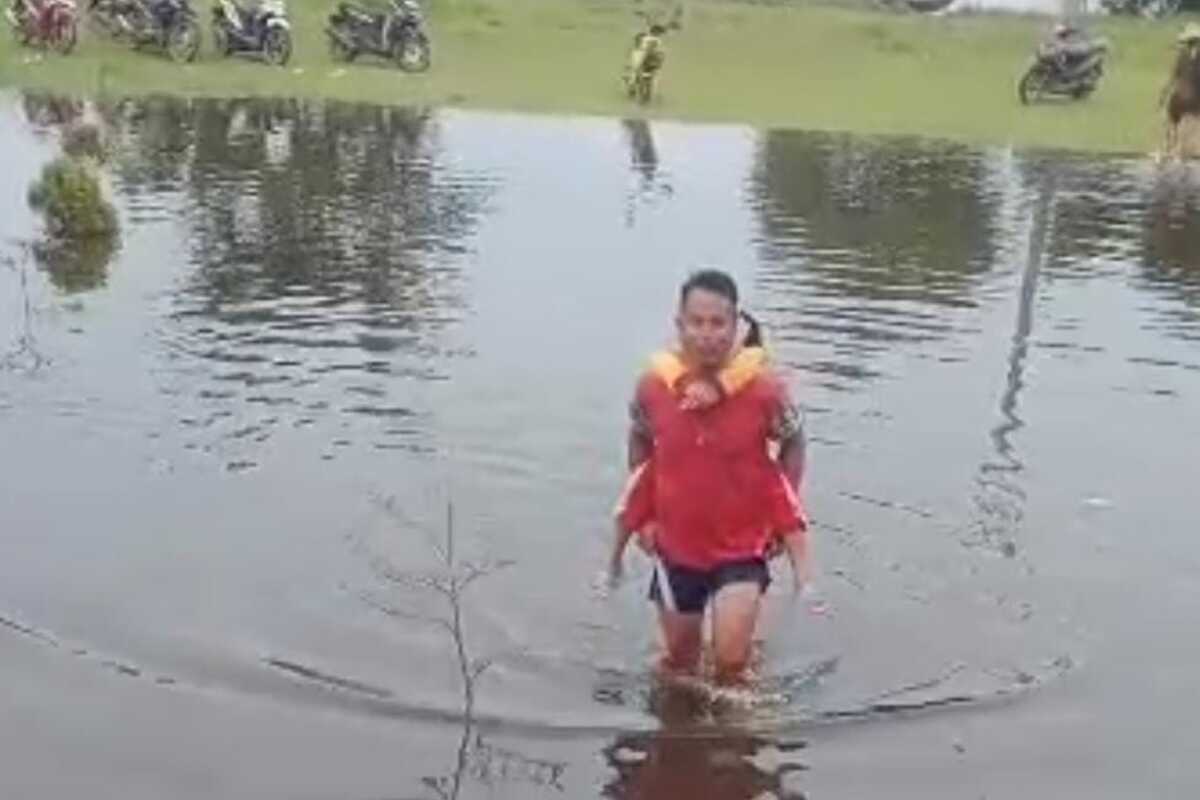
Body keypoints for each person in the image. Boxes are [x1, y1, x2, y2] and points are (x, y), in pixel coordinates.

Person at [622, 269, 809, 687]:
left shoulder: (764, 391)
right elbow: (638, 438)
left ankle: (738, 731)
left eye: (718, 324)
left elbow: (794, 443)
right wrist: (643, 518)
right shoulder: (653, 387)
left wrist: (786, 512)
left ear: (736, 325)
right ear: (680, 325)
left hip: (742, 545)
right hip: (676, 546)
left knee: (730, 662)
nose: (707, 335)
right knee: (680, 665)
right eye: (697, 323)